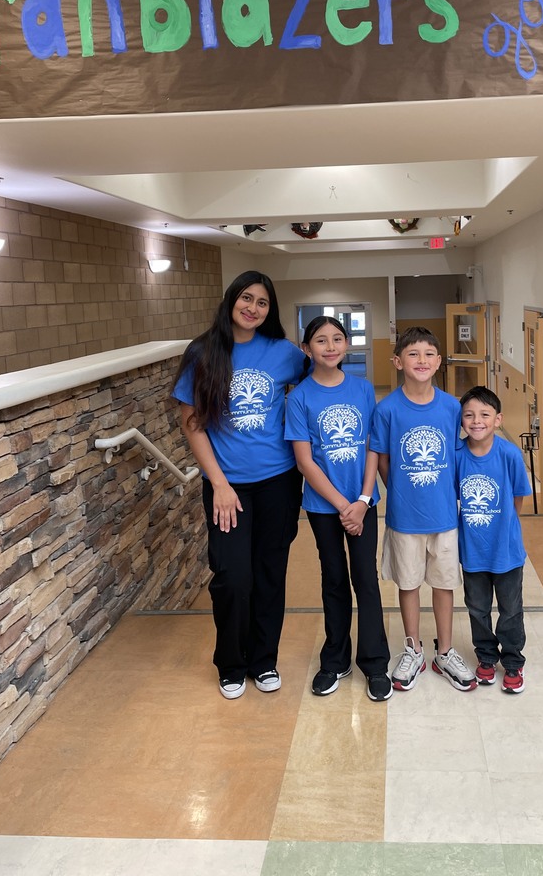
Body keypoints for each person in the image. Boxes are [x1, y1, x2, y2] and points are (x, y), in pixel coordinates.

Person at [172, 271, 305, 700]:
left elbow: (317, 381)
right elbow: (191, 422)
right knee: (231, 576)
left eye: (262, 302)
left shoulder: (284, 353)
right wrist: (219, 483)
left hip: (279, 483)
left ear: (271, 310)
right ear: (231, 300)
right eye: (246, 298)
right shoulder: (204, 352)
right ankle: (231, 662)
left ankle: (264, 660)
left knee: (270, 573)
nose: (252, 308)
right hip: (227, 486)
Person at [285, 316, 392, 702]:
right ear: (307, 349)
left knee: (366, 579)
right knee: (333, 579)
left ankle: (375, 663)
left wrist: (362, 501)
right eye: (320, 340)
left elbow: (372, 446)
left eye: (337, 339)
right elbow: (305, 462)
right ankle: (335, 660)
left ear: (346, 344)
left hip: (363, 504)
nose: (330, 346)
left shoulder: (363, 389)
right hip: (323, 507)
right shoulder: (298, 398)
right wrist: (342, 505)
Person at [369, 326, 476, 693]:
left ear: (439, 361)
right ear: (398, 361)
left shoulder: (451, 407)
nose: (422, 360)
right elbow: (382, 459)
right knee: (409, 582)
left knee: (444, 584)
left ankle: (444, 651)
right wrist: (398, 490)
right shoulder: (387, 409)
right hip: (404, 515)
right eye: (413, 354)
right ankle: (413, 647)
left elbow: (461, 453)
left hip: (445, 514)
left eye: (429, 354)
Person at [457, 386, 533, 694]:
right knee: (477, 608)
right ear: (461, 421)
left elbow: (517, 499)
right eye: (470, 415)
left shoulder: (510, 454)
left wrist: (503, 528)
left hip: (506, 550)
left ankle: (513, 661)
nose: (477, 421)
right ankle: (486, 657)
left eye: (485, 415)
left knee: (511, 608)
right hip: (472, 550)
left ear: (498, 419)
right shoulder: (457, 454)